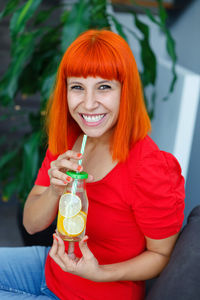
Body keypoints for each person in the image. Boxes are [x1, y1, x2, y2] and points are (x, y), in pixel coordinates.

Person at [0, 29, 185, 300]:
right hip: (50, 271)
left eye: (104, 87)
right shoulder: (68, 139)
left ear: (126, 91)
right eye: (77, 87)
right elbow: (31, 225)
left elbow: (161, 256)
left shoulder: (150, 167)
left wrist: (101, 273)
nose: (88, 104)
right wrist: (53, 190)